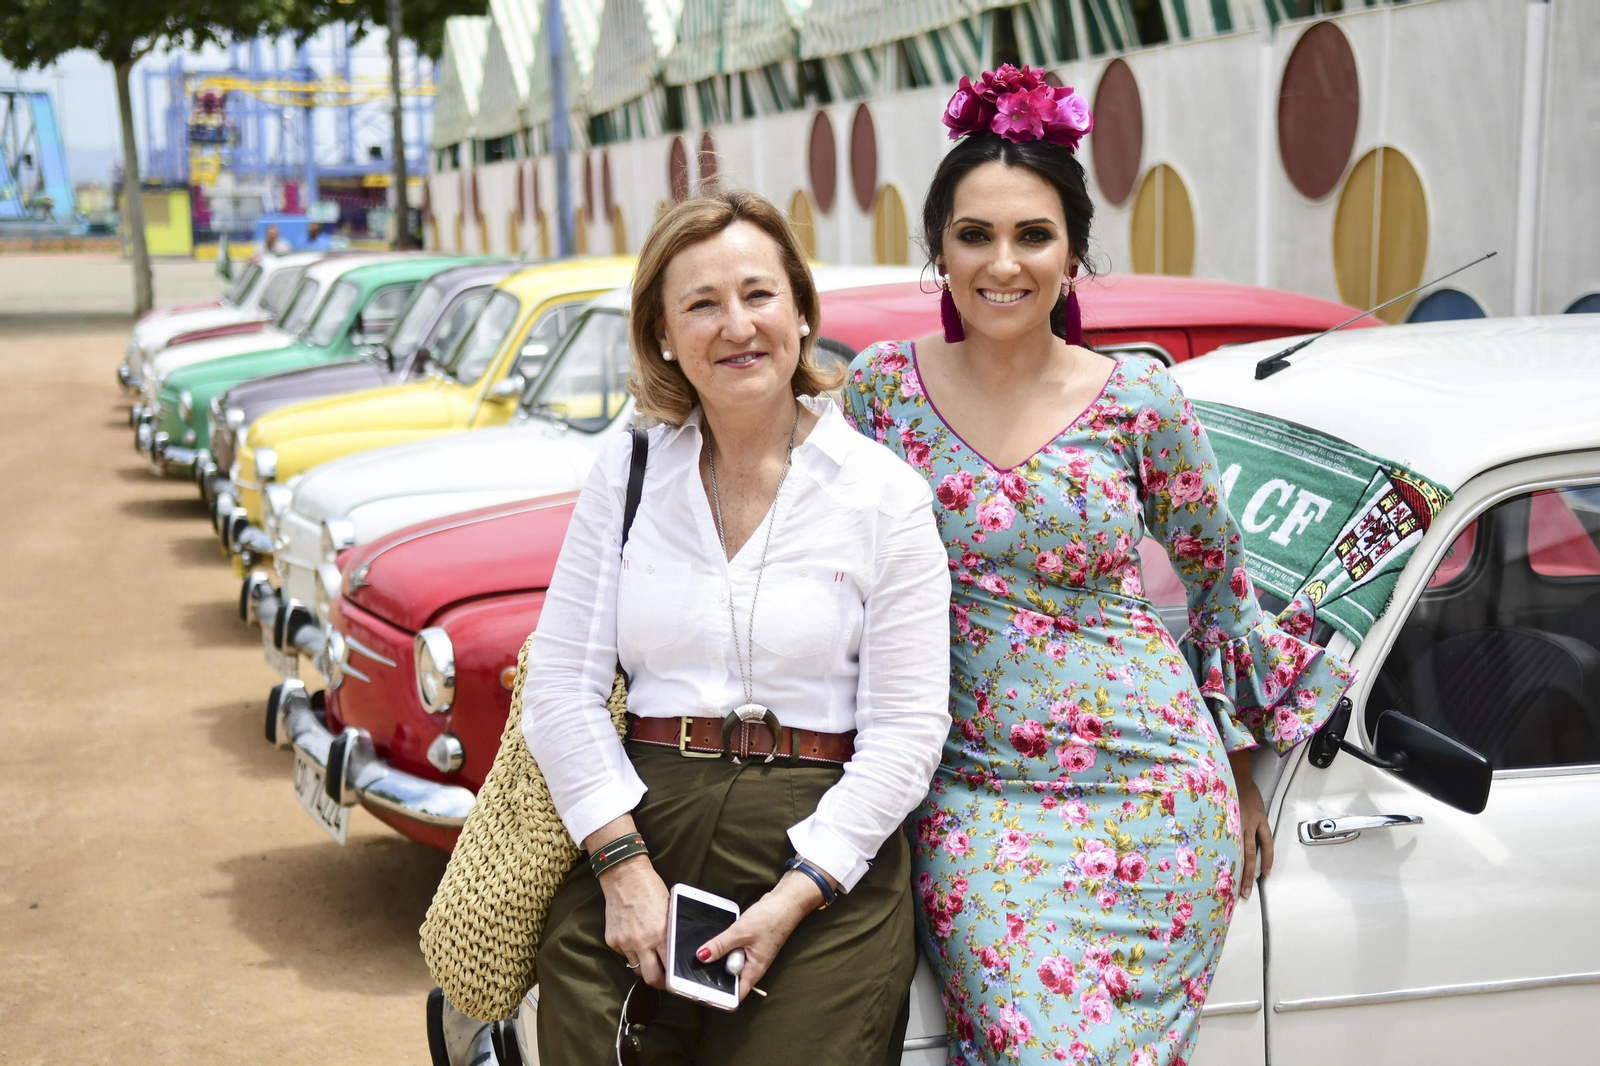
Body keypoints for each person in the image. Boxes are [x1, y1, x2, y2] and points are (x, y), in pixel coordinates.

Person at [841, 66, 1355, 1064]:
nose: (1003, 262)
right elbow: (819, 563)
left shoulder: (1140, 400)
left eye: (1033, 235)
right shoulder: (880, 392)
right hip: (973, 792)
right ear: (936, 249)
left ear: (1074, 252)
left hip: (1155, 793)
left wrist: (1241, 773)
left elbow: (1220, 581)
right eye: (974, 234)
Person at [523, 187, 953, 1064]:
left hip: (821, 844)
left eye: (758, 294)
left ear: (800, 309)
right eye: (702, 305)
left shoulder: (884, 495)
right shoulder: (628, 469)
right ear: (663, 337)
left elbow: (908, 732)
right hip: (642, 821)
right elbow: (561, 689)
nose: (737, 325)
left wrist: (799, 890)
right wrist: (622, 870)